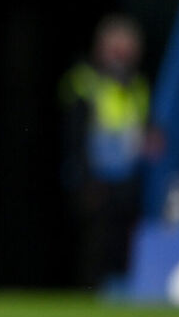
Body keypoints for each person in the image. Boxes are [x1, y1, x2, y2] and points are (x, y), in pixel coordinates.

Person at [58, 14, 158, 289]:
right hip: (95, 180)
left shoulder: (138, 86)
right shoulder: (85, 81)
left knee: (124, 248)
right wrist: (84, 178)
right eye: (116, 50)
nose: (121, 57)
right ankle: (87, 297)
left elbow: (144, 128)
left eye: (127, 51)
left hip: (128, 180)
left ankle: (120, 298)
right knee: (93, 248)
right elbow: (75, 135)